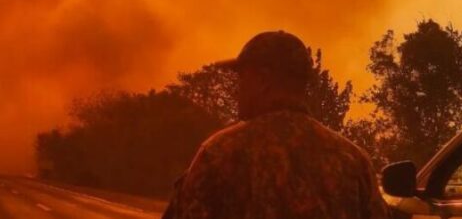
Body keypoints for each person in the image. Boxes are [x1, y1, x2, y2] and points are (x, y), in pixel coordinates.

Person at [162, 30, 388, 219]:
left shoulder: (221, 153)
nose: (237, 91)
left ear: (262, 80)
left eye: (242, 79)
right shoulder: (353, 162)